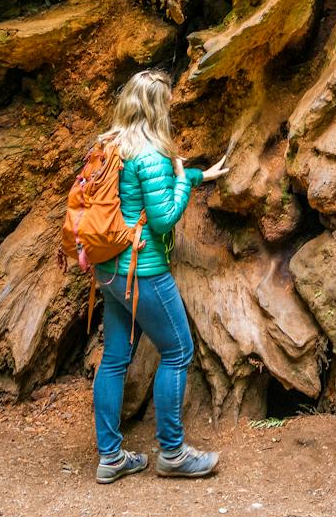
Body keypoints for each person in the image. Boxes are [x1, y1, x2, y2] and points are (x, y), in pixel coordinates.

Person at [92, 68, 231, 485]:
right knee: (178, 351)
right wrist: (185, 181)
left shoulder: (109, 146)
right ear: (156, 108)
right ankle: (172, 453)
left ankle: (110, 457)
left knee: (115, 359)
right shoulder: (150, 155)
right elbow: (164, 219)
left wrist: (193, 175)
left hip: (109, 268)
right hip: (143, 270)